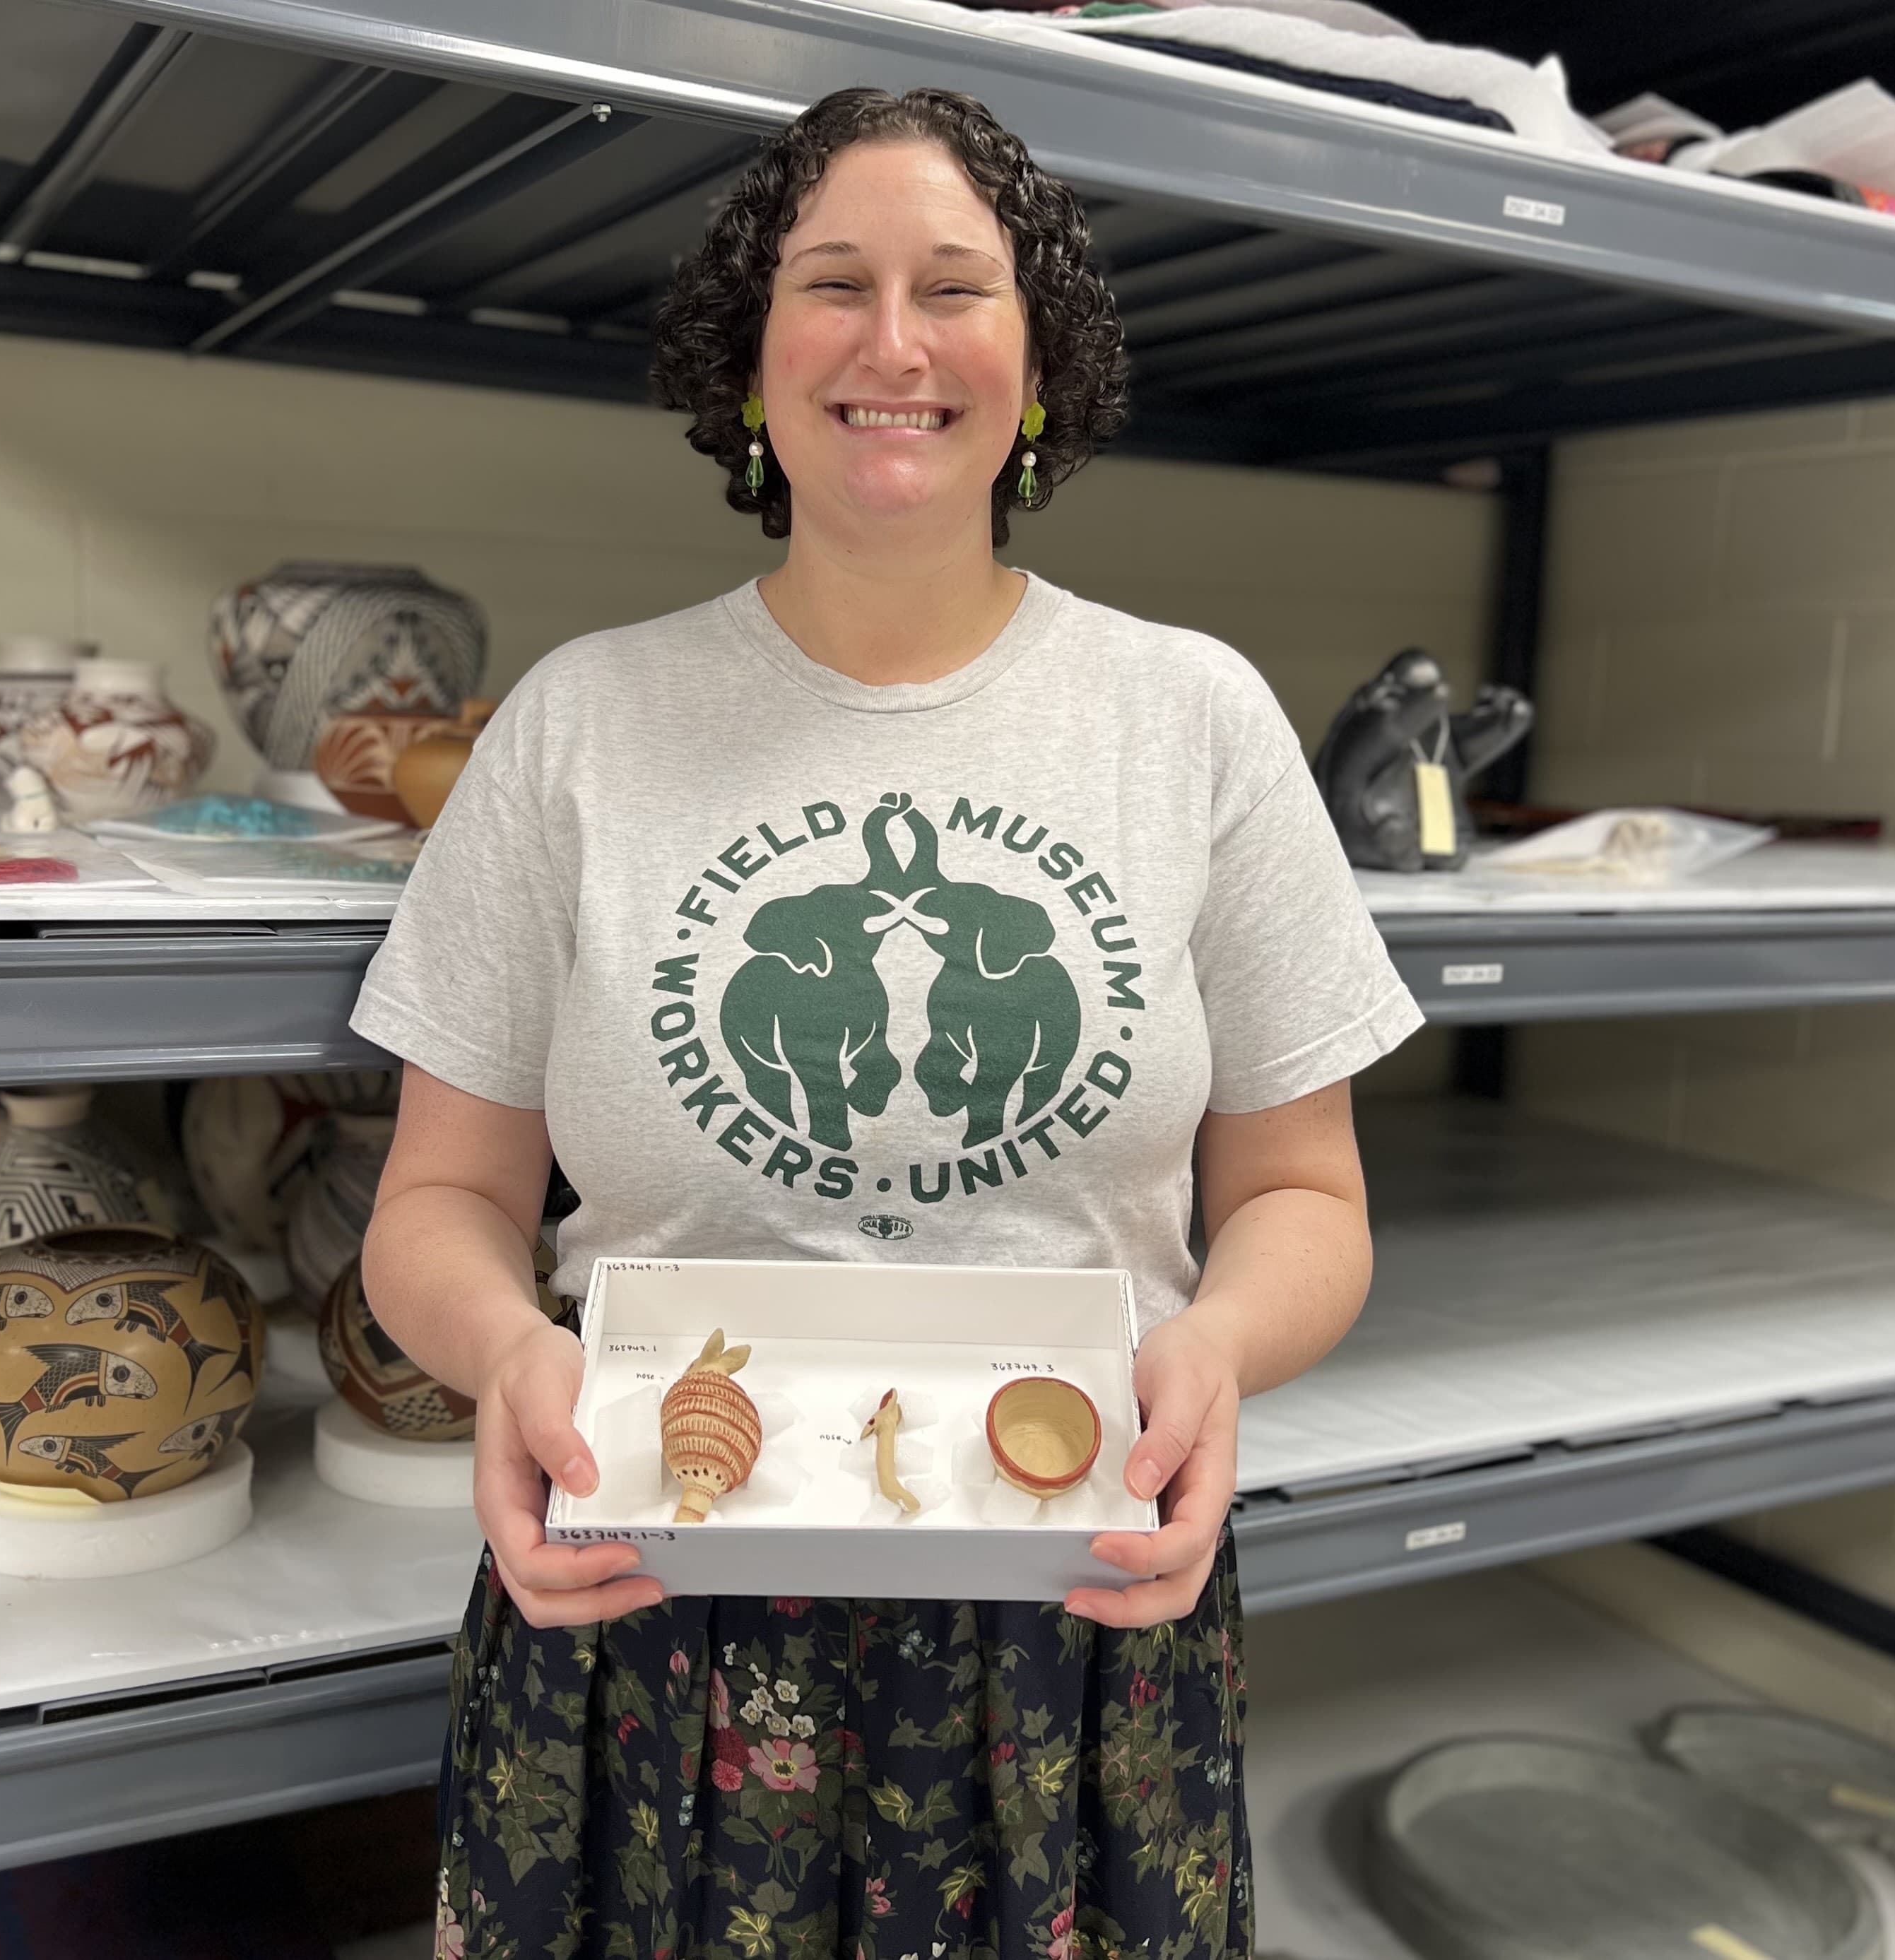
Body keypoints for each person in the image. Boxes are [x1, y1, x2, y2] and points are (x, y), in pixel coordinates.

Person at [353, 85, 1420, 1960]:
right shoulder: (581, 726)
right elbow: (436, 1203)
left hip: (1078, 1604)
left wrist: (1223, 1350)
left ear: (1040, 359)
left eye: (958, 287)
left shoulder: (1193, 721)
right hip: (653, 1597)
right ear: (751, 365)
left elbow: (1308, 1203)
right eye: (832, 285)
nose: (897, 342)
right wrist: (511, 1356)